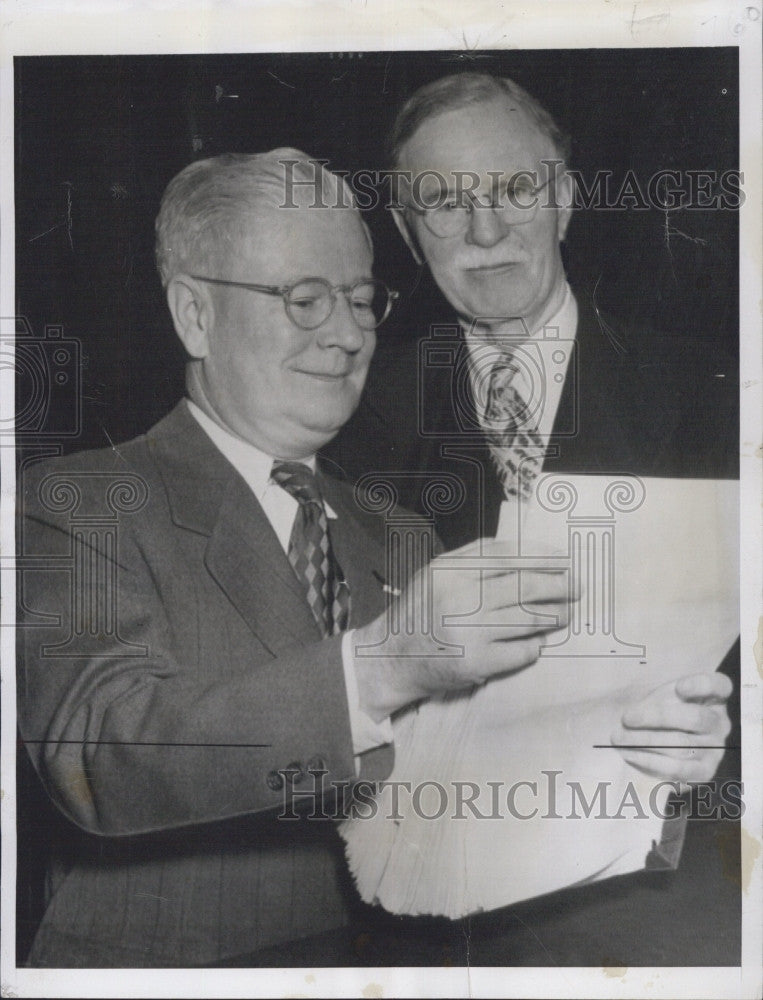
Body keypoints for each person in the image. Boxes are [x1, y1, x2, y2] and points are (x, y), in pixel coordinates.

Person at [16, 149, 578, 968]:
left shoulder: (402, 534)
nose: (348, 334)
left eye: (359, 299)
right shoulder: (77, 504)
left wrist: (629, 762)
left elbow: (470, 801)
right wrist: (380, 669)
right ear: (194, 315)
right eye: (305, 299)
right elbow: (100, 757)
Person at [325, 72, 739, 964]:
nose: (484, 231)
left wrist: (725, 757)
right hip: (419, 931)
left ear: (565, 196)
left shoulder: (720, 395)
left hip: (656, 921)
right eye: (441, 204)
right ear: (403, 231)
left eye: (514, 188)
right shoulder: (348, 419)